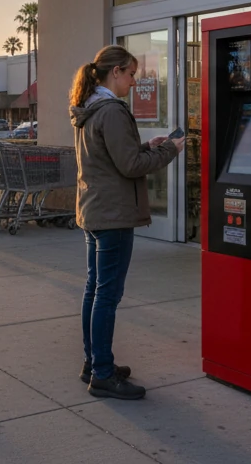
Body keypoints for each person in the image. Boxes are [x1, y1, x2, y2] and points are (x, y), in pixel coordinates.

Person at [68, 45, 183, 400]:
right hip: (114, 214)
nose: (134, 82)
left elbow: (114, 157)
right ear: (115, 72)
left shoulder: (89, 109)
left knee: (94, 289)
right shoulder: (112, 111)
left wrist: (148, 144)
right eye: (131, 74)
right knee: (107, 294)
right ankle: (102, 373)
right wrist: (170, 151)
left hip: (95, 210)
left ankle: (94, 362)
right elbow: (130, 167)